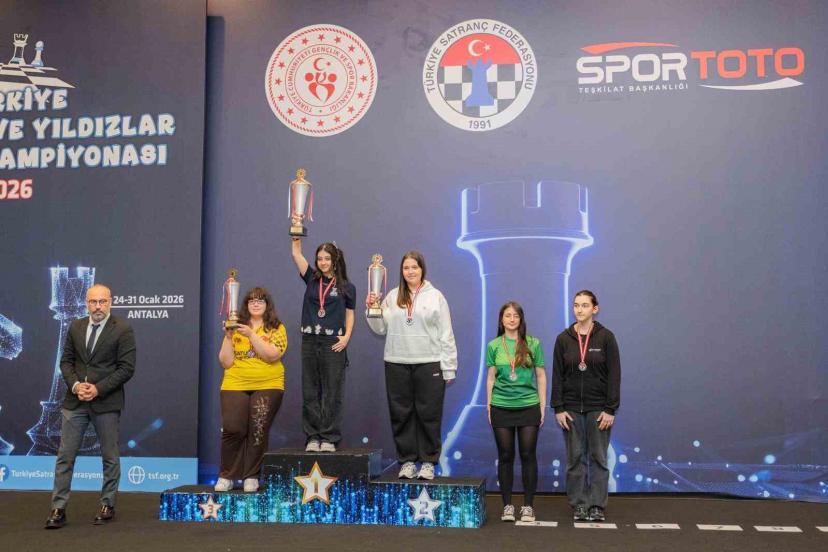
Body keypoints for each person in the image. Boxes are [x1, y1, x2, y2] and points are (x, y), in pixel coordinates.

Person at [45, 284, 136, 529]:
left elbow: (127, 368)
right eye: (93, 302)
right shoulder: (76, 326)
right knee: (65, 457)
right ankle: (58, 508)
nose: (98, 307)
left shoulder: (123, 329)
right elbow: (66, 361)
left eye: (102, 302)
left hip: (106, 402)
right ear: (86, 303)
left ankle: (108, 504)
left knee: (109, 456)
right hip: (75, 401)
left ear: (110, 302)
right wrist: (76, 385)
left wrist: (98, 389)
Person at [365, 251, 457, 480]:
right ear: (401, 271)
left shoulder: (435, 296)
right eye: (406, 268)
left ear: (422, 269)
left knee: (429, 415)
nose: (410, 271)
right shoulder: (392, 296)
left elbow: (446, 333)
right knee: (401, 415)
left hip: (429, 362)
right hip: (397, 362)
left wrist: (449, 367)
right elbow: (380, 329)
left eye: (414, 267)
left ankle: (428, 462)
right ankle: (407, 461)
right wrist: (372, 310)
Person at [551, 290, 620, 522]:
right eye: (576, 305)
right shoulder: (563, 339)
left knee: (598, 458)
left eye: (584, 305)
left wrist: (610, 409)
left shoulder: (606, 337)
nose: (579, 310)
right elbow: (557, 376)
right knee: (575, 458)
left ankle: (597, 505)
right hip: (570, 409)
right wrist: (558, 408)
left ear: (595, 309)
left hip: (599, 409)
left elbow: (614, 375)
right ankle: (579, 504)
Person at [215, 287, 287, 492]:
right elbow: (225, 362)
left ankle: (251, 476)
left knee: (258, 429)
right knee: (233, 429)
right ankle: (226, 476)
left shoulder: (277, 328)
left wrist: (252, 335)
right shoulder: (236, 326)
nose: (255, 304)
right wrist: (229, 337)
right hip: (235, 383)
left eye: (260, 301)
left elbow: (272, 356)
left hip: (268, 384)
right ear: (246, 305)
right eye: (251, 301)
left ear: (267, 305)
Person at [291, 239, 355, 452]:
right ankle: (312, 437)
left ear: (335, 260)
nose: (323, 262)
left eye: (327, 258)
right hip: (310, 340)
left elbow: (350, 314)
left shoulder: (347, 287)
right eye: (319, 258)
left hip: (333, 342)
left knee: (332, 391)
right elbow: (296, 255)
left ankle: (329, 437)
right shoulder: (311, 278)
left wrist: (346, 337)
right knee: (310, 389)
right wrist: (296, 235)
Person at [486, 301, 545, 523]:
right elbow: (490, 378)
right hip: (501, 406)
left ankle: (528, 506)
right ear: (501, 320)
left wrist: (542, 405)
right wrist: (489, 405)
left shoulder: (533, 343)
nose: (511, 319)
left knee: (528, 455)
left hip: (529, 406)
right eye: (507, 315)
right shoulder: (493, 345)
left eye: (515, 316)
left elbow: (541, 376)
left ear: (521, 319)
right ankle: (507, 506)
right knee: (505, 456)